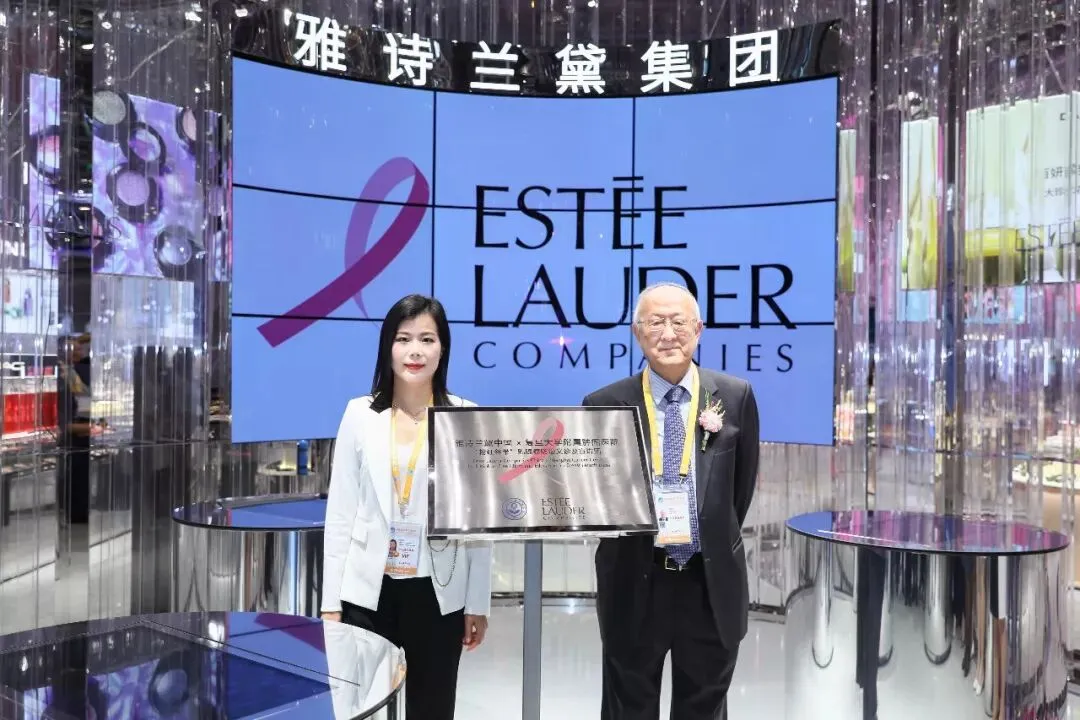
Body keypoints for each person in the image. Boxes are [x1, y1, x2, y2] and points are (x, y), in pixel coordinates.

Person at [583, 283, 760, 720]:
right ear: (637, 332)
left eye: (678, 322)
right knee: (628, 707)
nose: (668, 334)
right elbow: (599, 496)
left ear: (698, 329)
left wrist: (706, 530)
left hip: (708, 582)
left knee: (704, 706)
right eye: (655, 323)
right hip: (634, 577)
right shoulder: (604, 403)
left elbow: (739, 492)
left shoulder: (734, 396)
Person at [321, 294, 492, 720]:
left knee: (432, 708)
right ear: (388, 347)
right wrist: (330, 602)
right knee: (361, 709)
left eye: (427, 339)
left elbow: (478, 522)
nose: (415, 351)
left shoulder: (465, 415)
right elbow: (340, 513)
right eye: (404, 339)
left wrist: (477, 602)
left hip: (438, 591)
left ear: (442, 348)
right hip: (367, 591)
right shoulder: (359, 414)